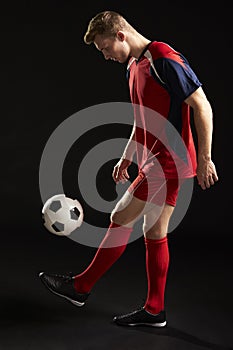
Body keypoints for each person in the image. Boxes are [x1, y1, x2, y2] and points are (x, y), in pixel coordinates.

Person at [39, 10, 218, 327]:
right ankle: (152, 310)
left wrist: (205, 158)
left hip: (170, 162)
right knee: (152, 231)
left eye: (105, 48)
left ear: (120, 34)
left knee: (124, 218)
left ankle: (82, 287)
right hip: (155, 160)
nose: (106, 56)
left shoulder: (164, 58)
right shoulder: (133, 67)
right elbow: (142, 120)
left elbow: (201, 105)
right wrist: (127, 156)